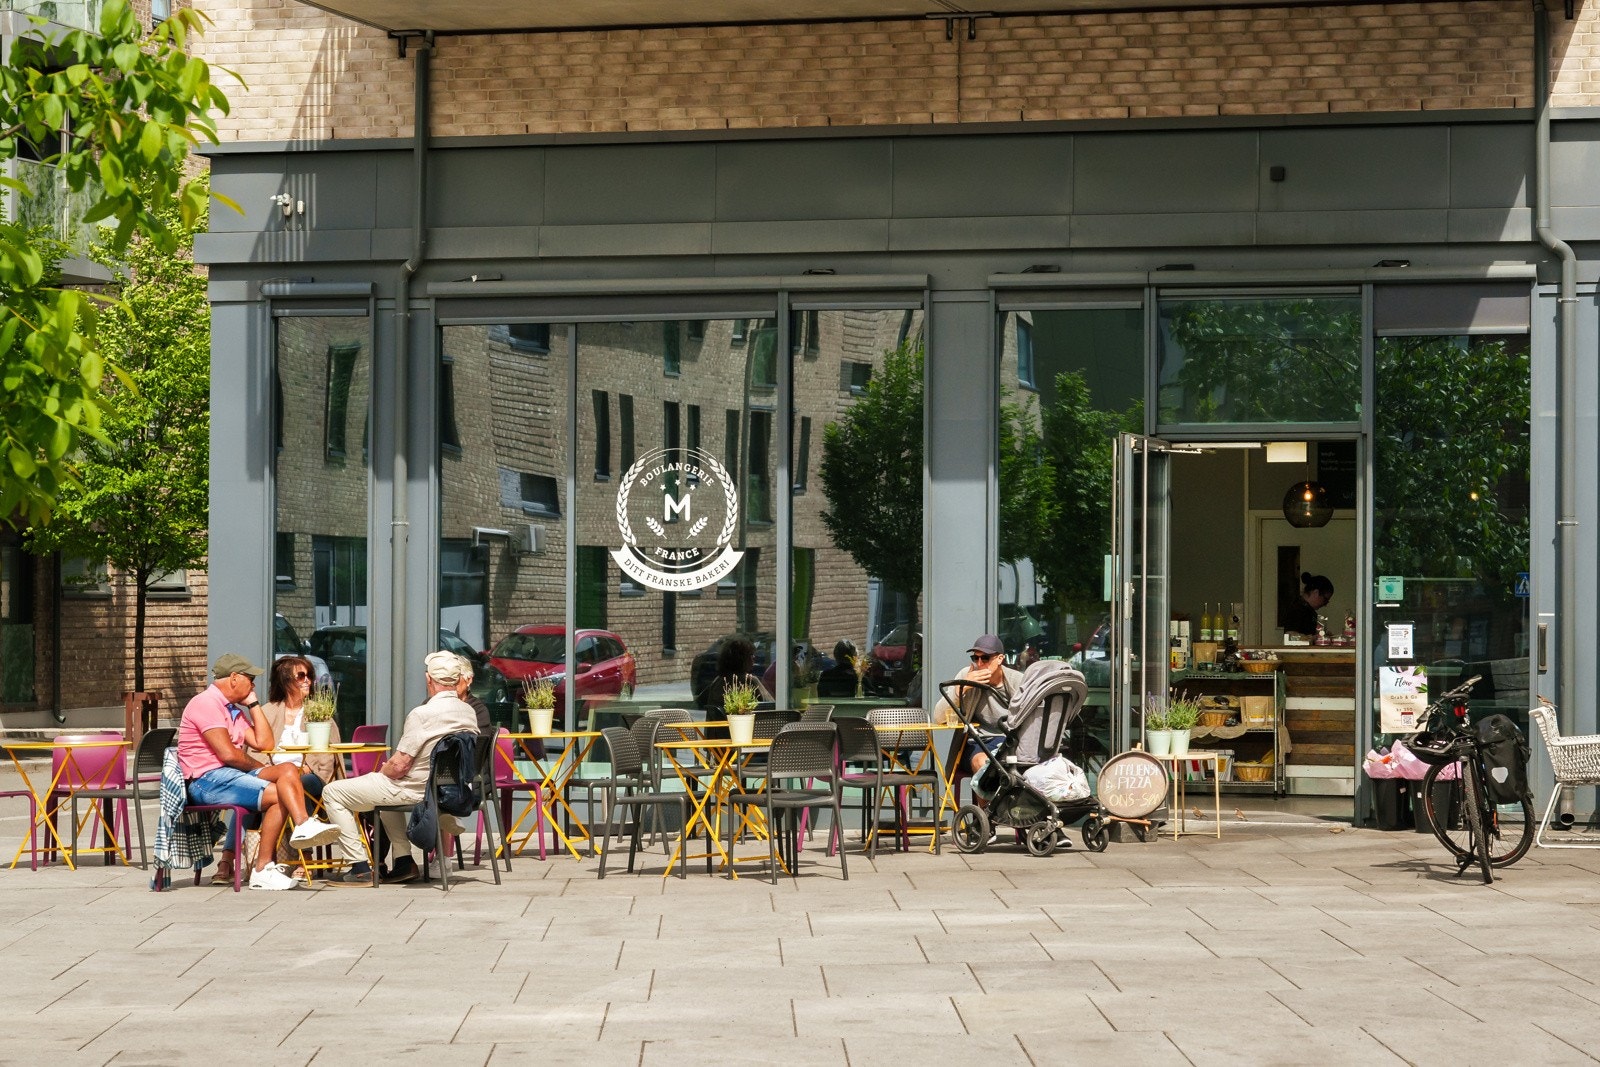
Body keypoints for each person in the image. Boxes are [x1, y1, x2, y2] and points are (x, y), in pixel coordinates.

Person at [177, 653, 341, 891]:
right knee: (281, 788)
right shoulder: (206, 703)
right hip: (207, 781)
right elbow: (228, 755)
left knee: (285, 773)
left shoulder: (232, 710)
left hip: (230, 776)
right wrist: (265, 769)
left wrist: (253, 704)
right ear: (234, 678)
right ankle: (265, 864)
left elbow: (263, 743)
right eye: (250, 678)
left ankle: (289, 840)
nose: (253, 684)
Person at [319, 651, 480, 886]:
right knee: (384, 797)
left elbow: (399, 766)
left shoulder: (422, 714)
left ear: (429, 679)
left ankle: (359, 867)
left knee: (332, 792)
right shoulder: (468, 712)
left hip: (413, 788)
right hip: (442, 789)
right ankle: (404, 862)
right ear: (457, 680)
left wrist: (384, 769)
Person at [933, 634, 1023, 806]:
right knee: (982, 763)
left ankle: (1016, 813)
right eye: (976, 658)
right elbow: (938, 716)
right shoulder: (966, 675)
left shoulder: (1016, 681)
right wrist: (962, 688)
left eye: (985, 658)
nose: (980, 664)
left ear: (1000, 659)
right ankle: (987, 820)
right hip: (978, 741)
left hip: (1010, 742)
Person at [698, 637, 773, 720]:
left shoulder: (718, 682)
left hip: (720, 731)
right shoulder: (749, 681)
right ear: (741, 659)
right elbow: (772, 706)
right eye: (751, 655)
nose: (754, 658)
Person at [452, 653, 493, 733]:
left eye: (456, 676)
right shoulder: (432, 704)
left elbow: (479, 743)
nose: (452, 681)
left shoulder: (477, 710)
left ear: (469, 679)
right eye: (447, 677)